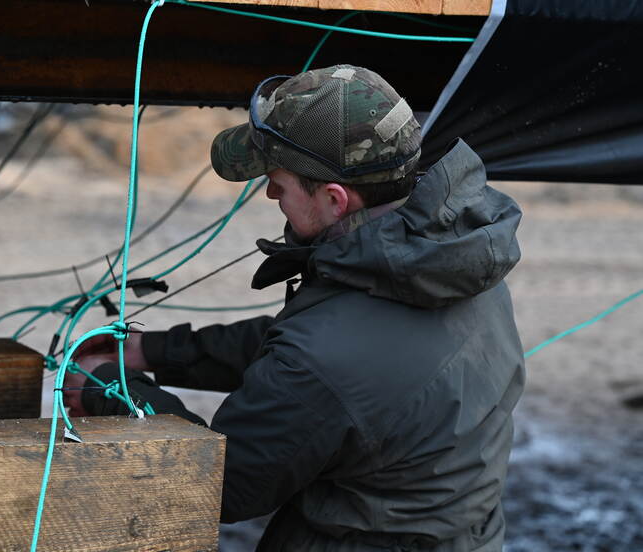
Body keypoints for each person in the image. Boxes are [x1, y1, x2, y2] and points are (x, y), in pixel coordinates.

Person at [65, 64, 525, 551]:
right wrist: (156, 351)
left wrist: (109, 389)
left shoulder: (324, 355)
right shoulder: (452, 257)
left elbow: (223, 483)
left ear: (334, 199)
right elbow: (321, 356)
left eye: (278, 183)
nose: (269, 194)